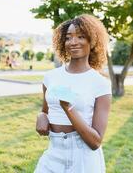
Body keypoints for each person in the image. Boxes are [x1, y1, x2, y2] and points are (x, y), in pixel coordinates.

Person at [34, 14, 112, 173]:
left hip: (83, 157)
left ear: (92, 40)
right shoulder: (51, 77)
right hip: (54, 152)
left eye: (81, 36)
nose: (73, 42)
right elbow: (45, 111)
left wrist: (68, 108)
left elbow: (95, 142)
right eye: (68, 37)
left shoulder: (100, 84)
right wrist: (41, 117)